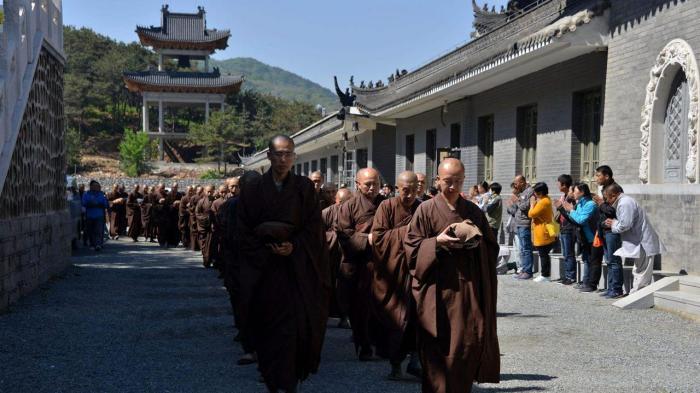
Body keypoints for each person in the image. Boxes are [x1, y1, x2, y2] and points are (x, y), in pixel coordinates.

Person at [237, 135, 329, 392]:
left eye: (288, 153)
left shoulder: (304, 188)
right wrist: (266, 247)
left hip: (296, 272)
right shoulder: (253, 189)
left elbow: (314, 228)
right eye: (278, 154)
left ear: (294, 157)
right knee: (266, 331)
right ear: (268, 156)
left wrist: (294, 246)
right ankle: (270, 378)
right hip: (263, 272)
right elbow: (242, 231)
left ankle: (290, 384)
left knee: (296, 330)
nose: (283, 159)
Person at [404, 158, 500, 393]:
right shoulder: (425, 210)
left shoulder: (473, 211)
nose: (452, 187)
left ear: (464, 181)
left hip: (467, 292)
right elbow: (412, 249)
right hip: (436, 292)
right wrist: (437, 241)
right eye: (447, 181)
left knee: (466, 348)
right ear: (437, 181)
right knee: (436, 352)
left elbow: (491, 248)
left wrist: (474, 239)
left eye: (458, 181)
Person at [370, 171, 422, 380]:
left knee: (420, 318)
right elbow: (379, 238)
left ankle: (416, 361)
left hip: (417, 271)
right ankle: (395, 366)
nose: (409, 195)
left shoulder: (422, 207)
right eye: (404, 190)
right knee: (397, 320)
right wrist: (407, 231)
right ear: (397, 189)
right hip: (394, 273)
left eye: (413, 190)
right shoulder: (387, 207)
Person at [336, 167, 385, 361]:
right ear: (358, 184)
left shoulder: (386, 204)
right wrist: (368, 239)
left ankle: (381, 345)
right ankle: (363, 346)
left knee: (382, 307)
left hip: (382, 264)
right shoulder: (349, 206)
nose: (373, 188)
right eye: (368, 184)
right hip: (358, 265)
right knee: (360, 308)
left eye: (376, 184)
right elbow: (344, 235)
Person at [604, 184, 666, 294]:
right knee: (638, 269)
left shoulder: (625, 203)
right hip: (639, 241)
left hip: (643, 242)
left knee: (641, 271)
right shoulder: (624, 202)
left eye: (607, 198)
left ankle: (638, 295)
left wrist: (613, 223)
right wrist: (615, 223)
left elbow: (625, 224)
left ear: (613, 195)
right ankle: (636, 294)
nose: (607, 201)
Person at [321, 187, 353, 329]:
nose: (343, 206)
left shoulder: (354, 212)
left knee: (346, 287)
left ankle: (345, 316)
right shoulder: (326, 213)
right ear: (336, 200)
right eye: (341, 203)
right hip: (329, 257)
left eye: (348, 202)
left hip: (348, 256)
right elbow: (318, 235)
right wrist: (336, 235)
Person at [555, 182, 598, 287]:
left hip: (592, 237)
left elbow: (581, 220)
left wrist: (570, 210)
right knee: (586, 259)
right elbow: (573, 220)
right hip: (583, 237)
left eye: (575, 191)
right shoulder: (580, 204)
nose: (573, 193)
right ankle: (585, 281)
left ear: (582, 192)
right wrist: (562, 209)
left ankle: (590, 283)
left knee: (591, 261)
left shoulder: (590, 204)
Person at [593, 166, 624, 297]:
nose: (596, 178)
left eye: (598, 175)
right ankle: (611, 288)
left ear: (607, 176)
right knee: (609, 260)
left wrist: (601, 203)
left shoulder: (615, 189)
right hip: (604, 229)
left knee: (614, 260)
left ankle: (616, 289)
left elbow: (613, 211)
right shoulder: (604, 189)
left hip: (612, 230)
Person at [528, 182, 557, 283]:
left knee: (543, 253)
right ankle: (544, 274)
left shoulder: (543, 202)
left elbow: (531, 214)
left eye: (535, 192)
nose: (534, 194)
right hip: (543, 229)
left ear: (539, 192)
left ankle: (545, 275)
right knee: (543, 253)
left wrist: (532, 204)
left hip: (542, 231)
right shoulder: (546, 199)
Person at [509, 175, 535, 280]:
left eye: (516, 183)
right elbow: (516, 209)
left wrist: (517, 200)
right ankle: (524, 270)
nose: (515, 185)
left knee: (526, 249)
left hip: (525, 224)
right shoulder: (522, 192)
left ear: (522, 182)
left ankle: (528, 271)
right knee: (522, 249)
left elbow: (525, 207)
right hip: (519, 223)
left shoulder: (530, 192)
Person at [554, 174, 577, 285]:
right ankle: (567, 275)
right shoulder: (563, 196)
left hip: (569, 227)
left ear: (564, 184)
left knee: (569, 253)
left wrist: (560, 206)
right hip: (563, 226)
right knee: (565, 253)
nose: (558, 186)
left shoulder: (571, 197)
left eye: (559, 184)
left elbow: (570, 212)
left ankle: (570, 276)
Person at [81, 180, 109, 251]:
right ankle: (92, 244)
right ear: (91, 186)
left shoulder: (101, 194)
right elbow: (84, 203)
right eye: (94, 186)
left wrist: (99, 204)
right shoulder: (86, 194)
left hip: (99, 215)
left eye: (97, 186)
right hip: (89, 215)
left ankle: (98, 244)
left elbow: (105, 204)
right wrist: (90, 204)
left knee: (98, 230)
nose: (96, 187)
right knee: (90, 231)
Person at [196, 185, 215, 267]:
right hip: (203, 226)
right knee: (204, 245)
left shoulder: (215, 200)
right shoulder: (201, 201)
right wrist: (206, 219)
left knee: (212, 244)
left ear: (214, 191)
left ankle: (212, 260)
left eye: (211, 191)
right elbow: (197, 213)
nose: (209, 193)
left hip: (213, 227)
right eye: (208, 191)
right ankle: (206, 260)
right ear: (205, 191)